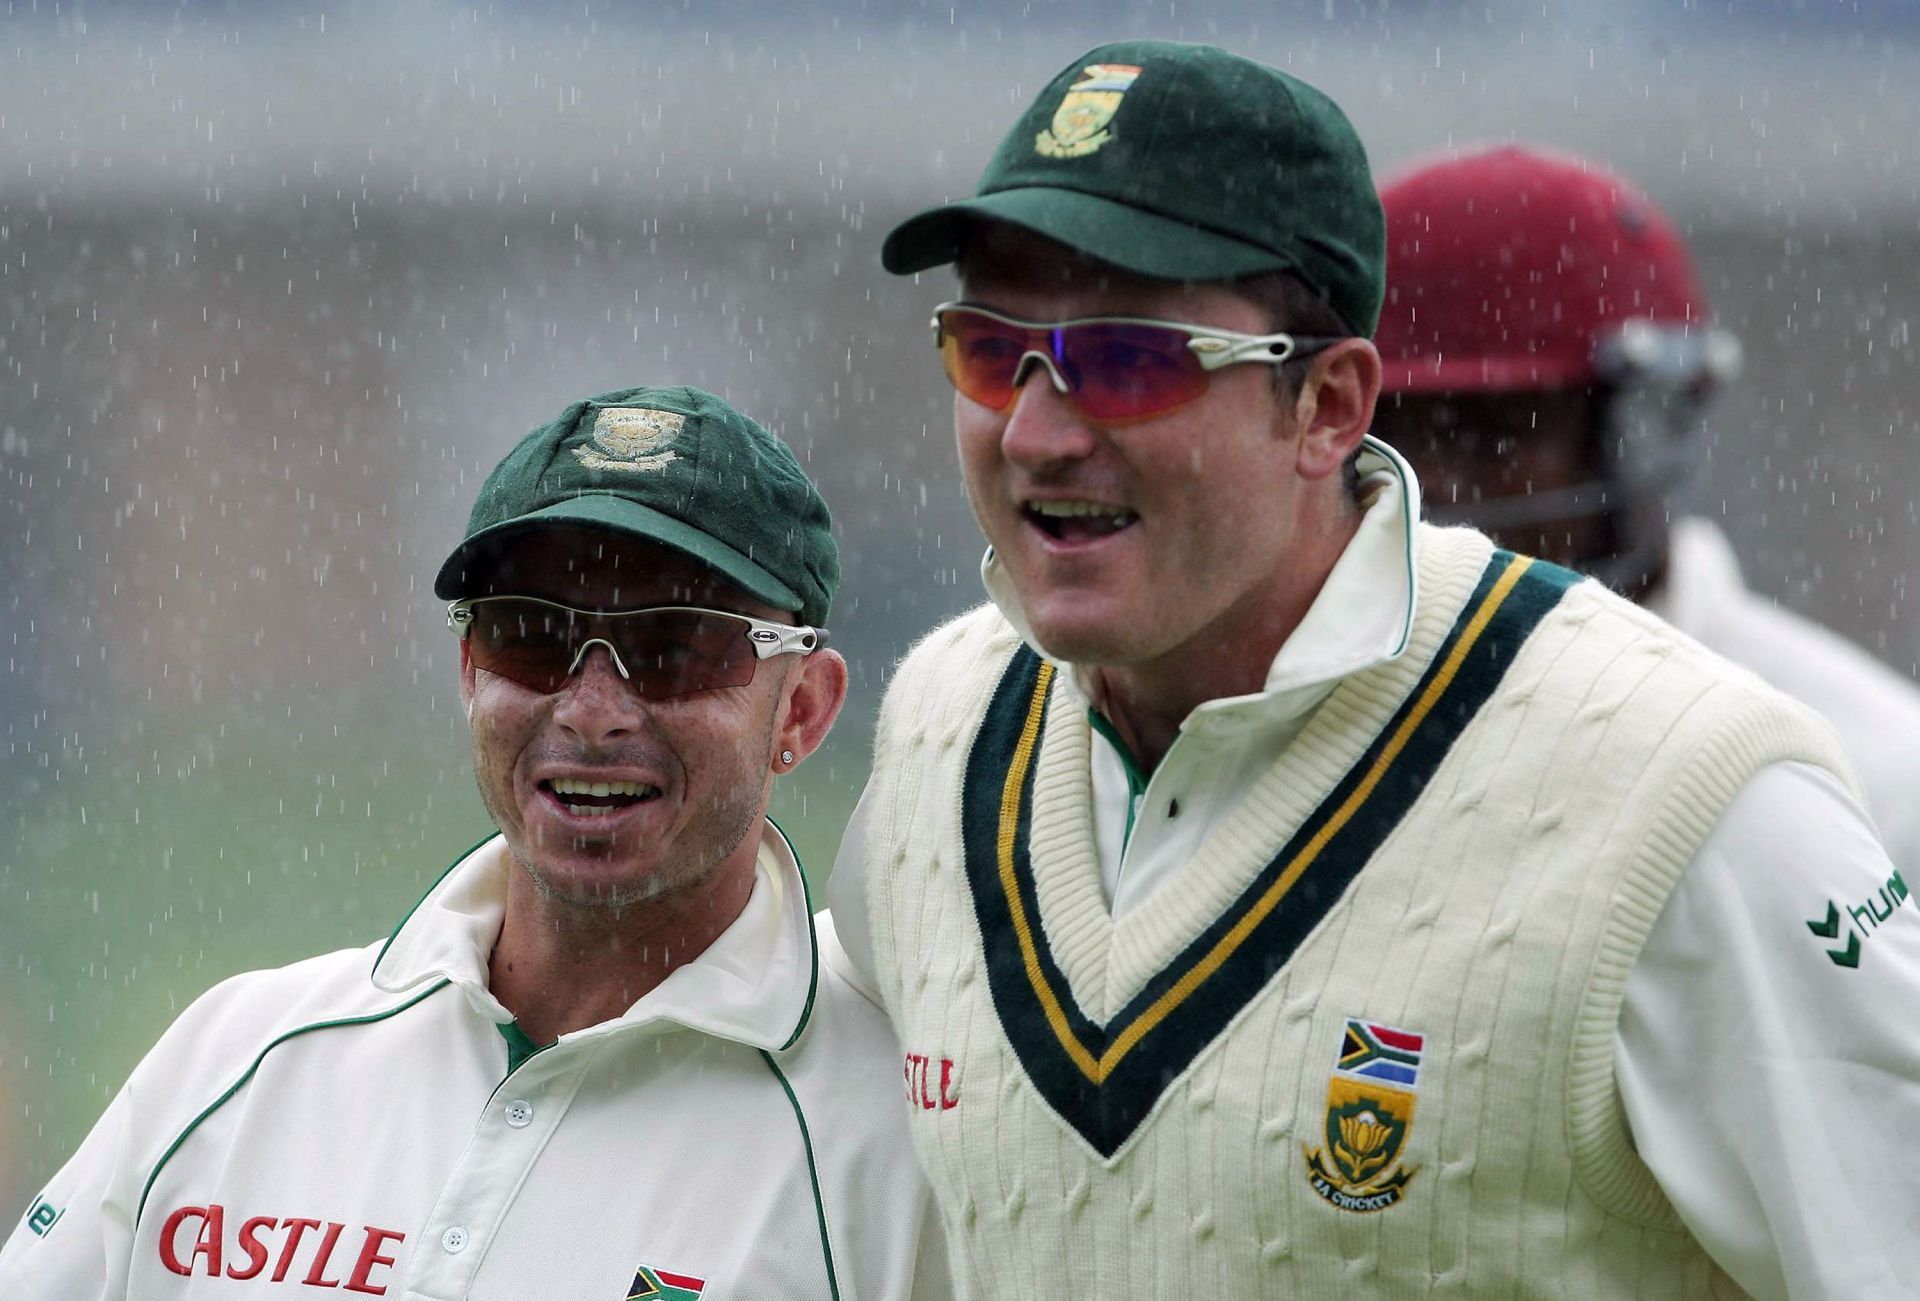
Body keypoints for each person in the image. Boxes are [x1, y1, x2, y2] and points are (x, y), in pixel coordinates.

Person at [826, 39, 1920, 1298]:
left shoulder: (1689, 789)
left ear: (1330, 406)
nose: (1036, 431)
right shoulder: (938, 727)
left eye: (1127, 358)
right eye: (989, 350)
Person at [1, 385, 945, 1299]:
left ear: (805, 708)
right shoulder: (235, 1054)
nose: (592, 709)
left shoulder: (901, 1134)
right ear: (469, 671)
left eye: (673, 648)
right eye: (531, 635)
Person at [1370, 143, 1920, 874]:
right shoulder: (1260, 724)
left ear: (1634, 434)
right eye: (1386, 434)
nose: (1422, 482)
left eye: (1492, 433)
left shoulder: (1868, 779)